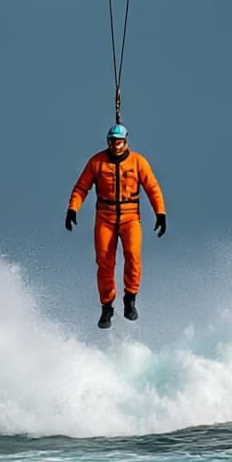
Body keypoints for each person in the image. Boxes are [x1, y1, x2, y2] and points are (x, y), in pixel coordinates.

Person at [66, 124, 166, 329]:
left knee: (133, 256)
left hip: (130, 218)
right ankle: (107, 306)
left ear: (126, 141)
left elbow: (152, 188)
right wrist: (72, 208)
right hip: (105, 219)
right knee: (104, 263)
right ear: (108, 142)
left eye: (119, 142)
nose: (116, 146)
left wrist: (160, 213)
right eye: (112, 142)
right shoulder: (97, 162)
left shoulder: (138, 162)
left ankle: (130, 299)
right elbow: (81, 187)